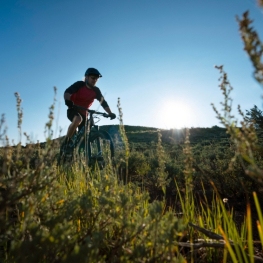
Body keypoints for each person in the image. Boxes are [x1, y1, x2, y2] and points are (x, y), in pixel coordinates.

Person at [63, 67, 116, 149]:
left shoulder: (96, 90)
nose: (94, 80)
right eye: (93, 78)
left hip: (84, 113)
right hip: (73, 109)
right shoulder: (80, 84)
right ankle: (67, 141)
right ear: (86, 77)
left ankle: (83, 153)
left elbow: (103, 102)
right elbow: (67, 92)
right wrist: (67, 101)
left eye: (96, 79)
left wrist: (110, 113)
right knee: (77, 119)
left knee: (86, 133)